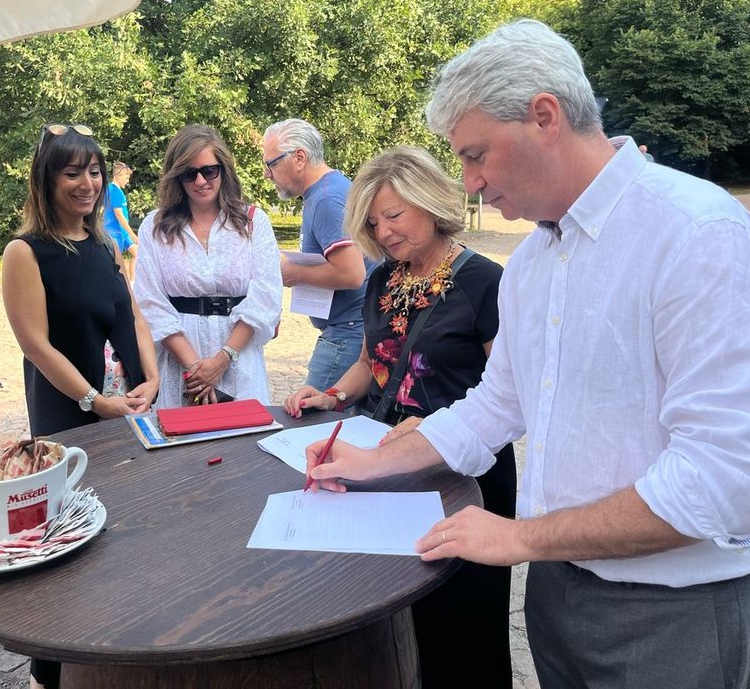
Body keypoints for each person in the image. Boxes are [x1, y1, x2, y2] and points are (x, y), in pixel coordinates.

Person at [305, 19, 750, 689]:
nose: (470, 183)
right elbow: (495, 403)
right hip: (560, 590)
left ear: (544, 116)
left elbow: (723, 482)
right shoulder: (536, 258)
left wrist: (521, 537)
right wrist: (374, 462)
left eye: (477, 154)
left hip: (672, 611)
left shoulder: (697, 233)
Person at [283, 145, 515, 687]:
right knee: (397, 612)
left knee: (465, 622)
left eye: (393, 215)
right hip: (388, 462)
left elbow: (509, 394)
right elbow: (371, 363)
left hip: (464, 471)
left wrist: (436, 423)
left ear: (430, 202)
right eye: (372, 222)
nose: (383, 232)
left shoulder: (486, 282)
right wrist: (332, 395)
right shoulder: (383, 279)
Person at [2, 123, 160, 689]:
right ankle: (55, 669)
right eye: (72, 172)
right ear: (46, 180)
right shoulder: (25, 252)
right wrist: (94, 401)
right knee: (70, 546)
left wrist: (153, 378)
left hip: (131, 412)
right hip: (73, 417)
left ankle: (123, 644)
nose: (87, 183)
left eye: (94, 171)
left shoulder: (105, 245)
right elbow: (35, 344)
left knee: (129, 531)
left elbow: (133, 316)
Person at [133, 124, 282, 408]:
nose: (200, 181)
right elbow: (150, 302)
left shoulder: (252, 222)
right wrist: (196, 369)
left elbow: (266, 295)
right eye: (189, 173)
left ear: (223, 170)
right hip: (180, 363)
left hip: (238, 357)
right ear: (176, 176)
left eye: (209, 171)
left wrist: (222, 359)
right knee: (180, 435)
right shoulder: (155, 227)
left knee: (243, 433)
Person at [262, 118, 373, 390]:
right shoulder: (329, 190)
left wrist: (295, 273)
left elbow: (352, 274)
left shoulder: (326, 199)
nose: (267, 174)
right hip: (352, 328)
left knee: (312, 411)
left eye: (271, 164)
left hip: (347, 331)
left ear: (299, 157)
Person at [104, 160, 139, 280]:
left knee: (137, 254)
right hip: (115, 234)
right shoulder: (114, 191)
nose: (127, 181)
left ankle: (133, 284)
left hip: (122, 233)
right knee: (115, 265)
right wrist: (132, 233)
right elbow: (119, 215)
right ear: (118, 175)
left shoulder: (114, 189)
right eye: (126, 177)